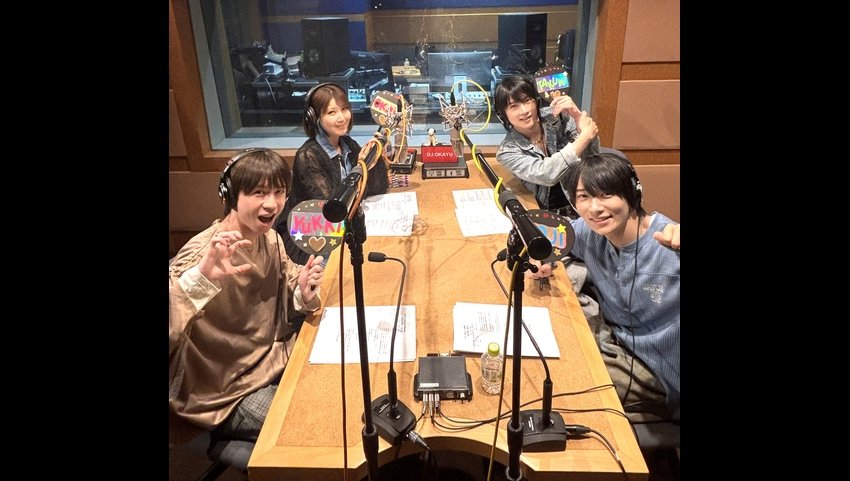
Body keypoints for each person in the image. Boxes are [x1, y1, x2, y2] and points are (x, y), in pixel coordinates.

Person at [169, 148, 326, 468]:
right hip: (225, 392)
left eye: (279, 192)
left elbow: (289, 285)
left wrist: (302, 290)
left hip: (273, 359)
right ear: (231, 196)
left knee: (336, 396)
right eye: (259, 193)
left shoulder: (269, 239)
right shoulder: (202, 255)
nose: (272, 203)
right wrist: (199, 281)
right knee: (316, 428)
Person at [532, 150, 680, 423]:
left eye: (606, 194)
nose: (595, 208)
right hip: (617, 345)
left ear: (633, 193)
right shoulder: (590, 232)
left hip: (659, 374)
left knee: (562, 382)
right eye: (584, 196)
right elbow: (548, 230)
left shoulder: (669, 247)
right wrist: (542, 254)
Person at [274, 82, 389, 264]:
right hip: (313, 240)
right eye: (331, 112)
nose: (342, 117)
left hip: (344, 232)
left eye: (344, 109)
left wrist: (376, 155)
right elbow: (333, 212)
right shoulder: (308, 157)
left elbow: (377, 187)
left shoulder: (347, 144)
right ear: (314, 118)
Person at [494, 75, 600, 218]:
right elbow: (547, 174)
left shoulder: (557, 116)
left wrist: (577, 117)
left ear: (536, 101)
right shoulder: (507, 152)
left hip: (585, 204)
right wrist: (585, 136)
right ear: (502, 115)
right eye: (514, 106)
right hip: (546, 216)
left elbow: (592, 157)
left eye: (527, 100)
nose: (524, 110)